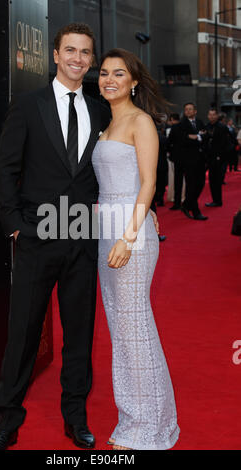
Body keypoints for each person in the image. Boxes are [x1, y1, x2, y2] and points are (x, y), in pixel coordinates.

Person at [0, 23, 112, 451]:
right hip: (37, 236)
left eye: (86, 52)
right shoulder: (28, 105)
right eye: (70, 50)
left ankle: (75, 418)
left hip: (81, 236)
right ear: (55, 55)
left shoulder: (99, 110)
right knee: (22, 332)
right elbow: (5, 168)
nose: (78, 58)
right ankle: (7, 419)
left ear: (91, 60)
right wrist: (15, 225)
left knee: (80, 334)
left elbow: (103, 173)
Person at [92, 48, 180, 450]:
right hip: (106, 233)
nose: (109, 79)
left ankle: (147, 427)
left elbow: (147, 183)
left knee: (134, 329)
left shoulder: (140, 121)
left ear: (134, 82)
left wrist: (130, 235)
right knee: (123, 331)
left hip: (129, 236)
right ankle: (137, 417)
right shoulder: (108, 125)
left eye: (119, 73)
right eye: (105, 73)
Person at [179, 103, 208, 220]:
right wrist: (193, 137)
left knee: (200, 184)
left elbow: (206, 136)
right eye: (186, 109)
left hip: (200, 160)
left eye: (190, 109)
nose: (188, 111)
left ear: (195, 111)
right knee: (191, 185)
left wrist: (197, 137)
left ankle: (186, 204)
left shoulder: (200, 122)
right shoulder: (182, 124)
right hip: (188, 161)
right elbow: (182, 140)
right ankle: (196, 212)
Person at [204, 108, 229, 207]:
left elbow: (225, 143)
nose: (212, 117)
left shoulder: (222, 127)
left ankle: (218, 201)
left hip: (219, 157)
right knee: (211, 180)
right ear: (208, 116)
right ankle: (215, 200)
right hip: (209, 157)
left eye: (214, 115)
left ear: (217, 116)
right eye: (210, 115)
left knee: (217, 180)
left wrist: (220, 156)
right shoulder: (206, 126)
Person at [167, 113, 185, 210]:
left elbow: (169, 141)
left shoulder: (174, 128)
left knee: (177, 180)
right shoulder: (186, 126)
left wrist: (170, 151)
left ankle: (177, 202)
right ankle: (185, 199)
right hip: (186, 157)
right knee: (186, 180)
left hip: (177, 158)